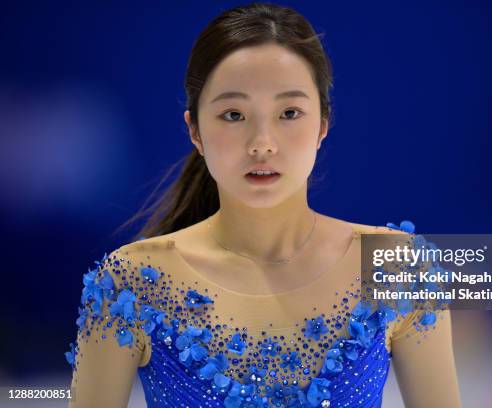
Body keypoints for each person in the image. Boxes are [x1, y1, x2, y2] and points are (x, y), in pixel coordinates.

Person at [65, 3, 461, 407]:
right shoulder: (132, 283)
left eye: (289, 113)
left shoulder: (396, 268)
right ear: (195, 131)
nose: (262, 143)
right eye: (234, 114)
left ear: (323, 124)